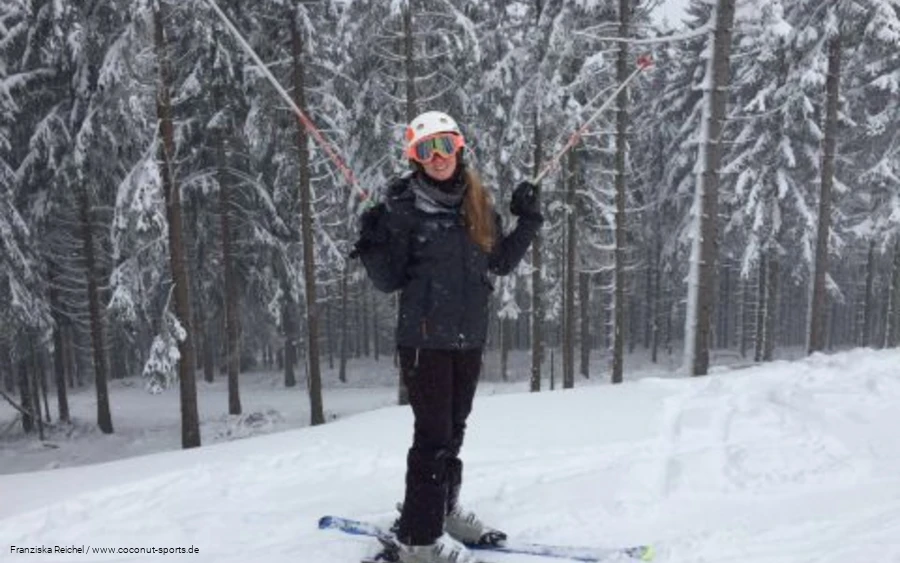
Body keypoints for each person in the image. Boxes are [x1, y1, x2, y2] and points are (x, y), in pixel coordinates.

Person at [351, 110, 543, 563]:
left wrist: (529, 220)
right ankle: (418, 541)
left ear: (459, 149)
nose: (437, 157)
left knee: (454, 432)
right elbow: (388, 280)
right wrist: (373, 242)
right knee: (432, 439)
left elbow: (498, 262)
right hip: (424, 343)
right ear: (415, 158)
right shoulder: (401, 208)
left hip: (467, 338)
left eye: (444, 146)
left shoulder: (477, 203)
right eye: (425, 149)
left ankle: (444, 510)